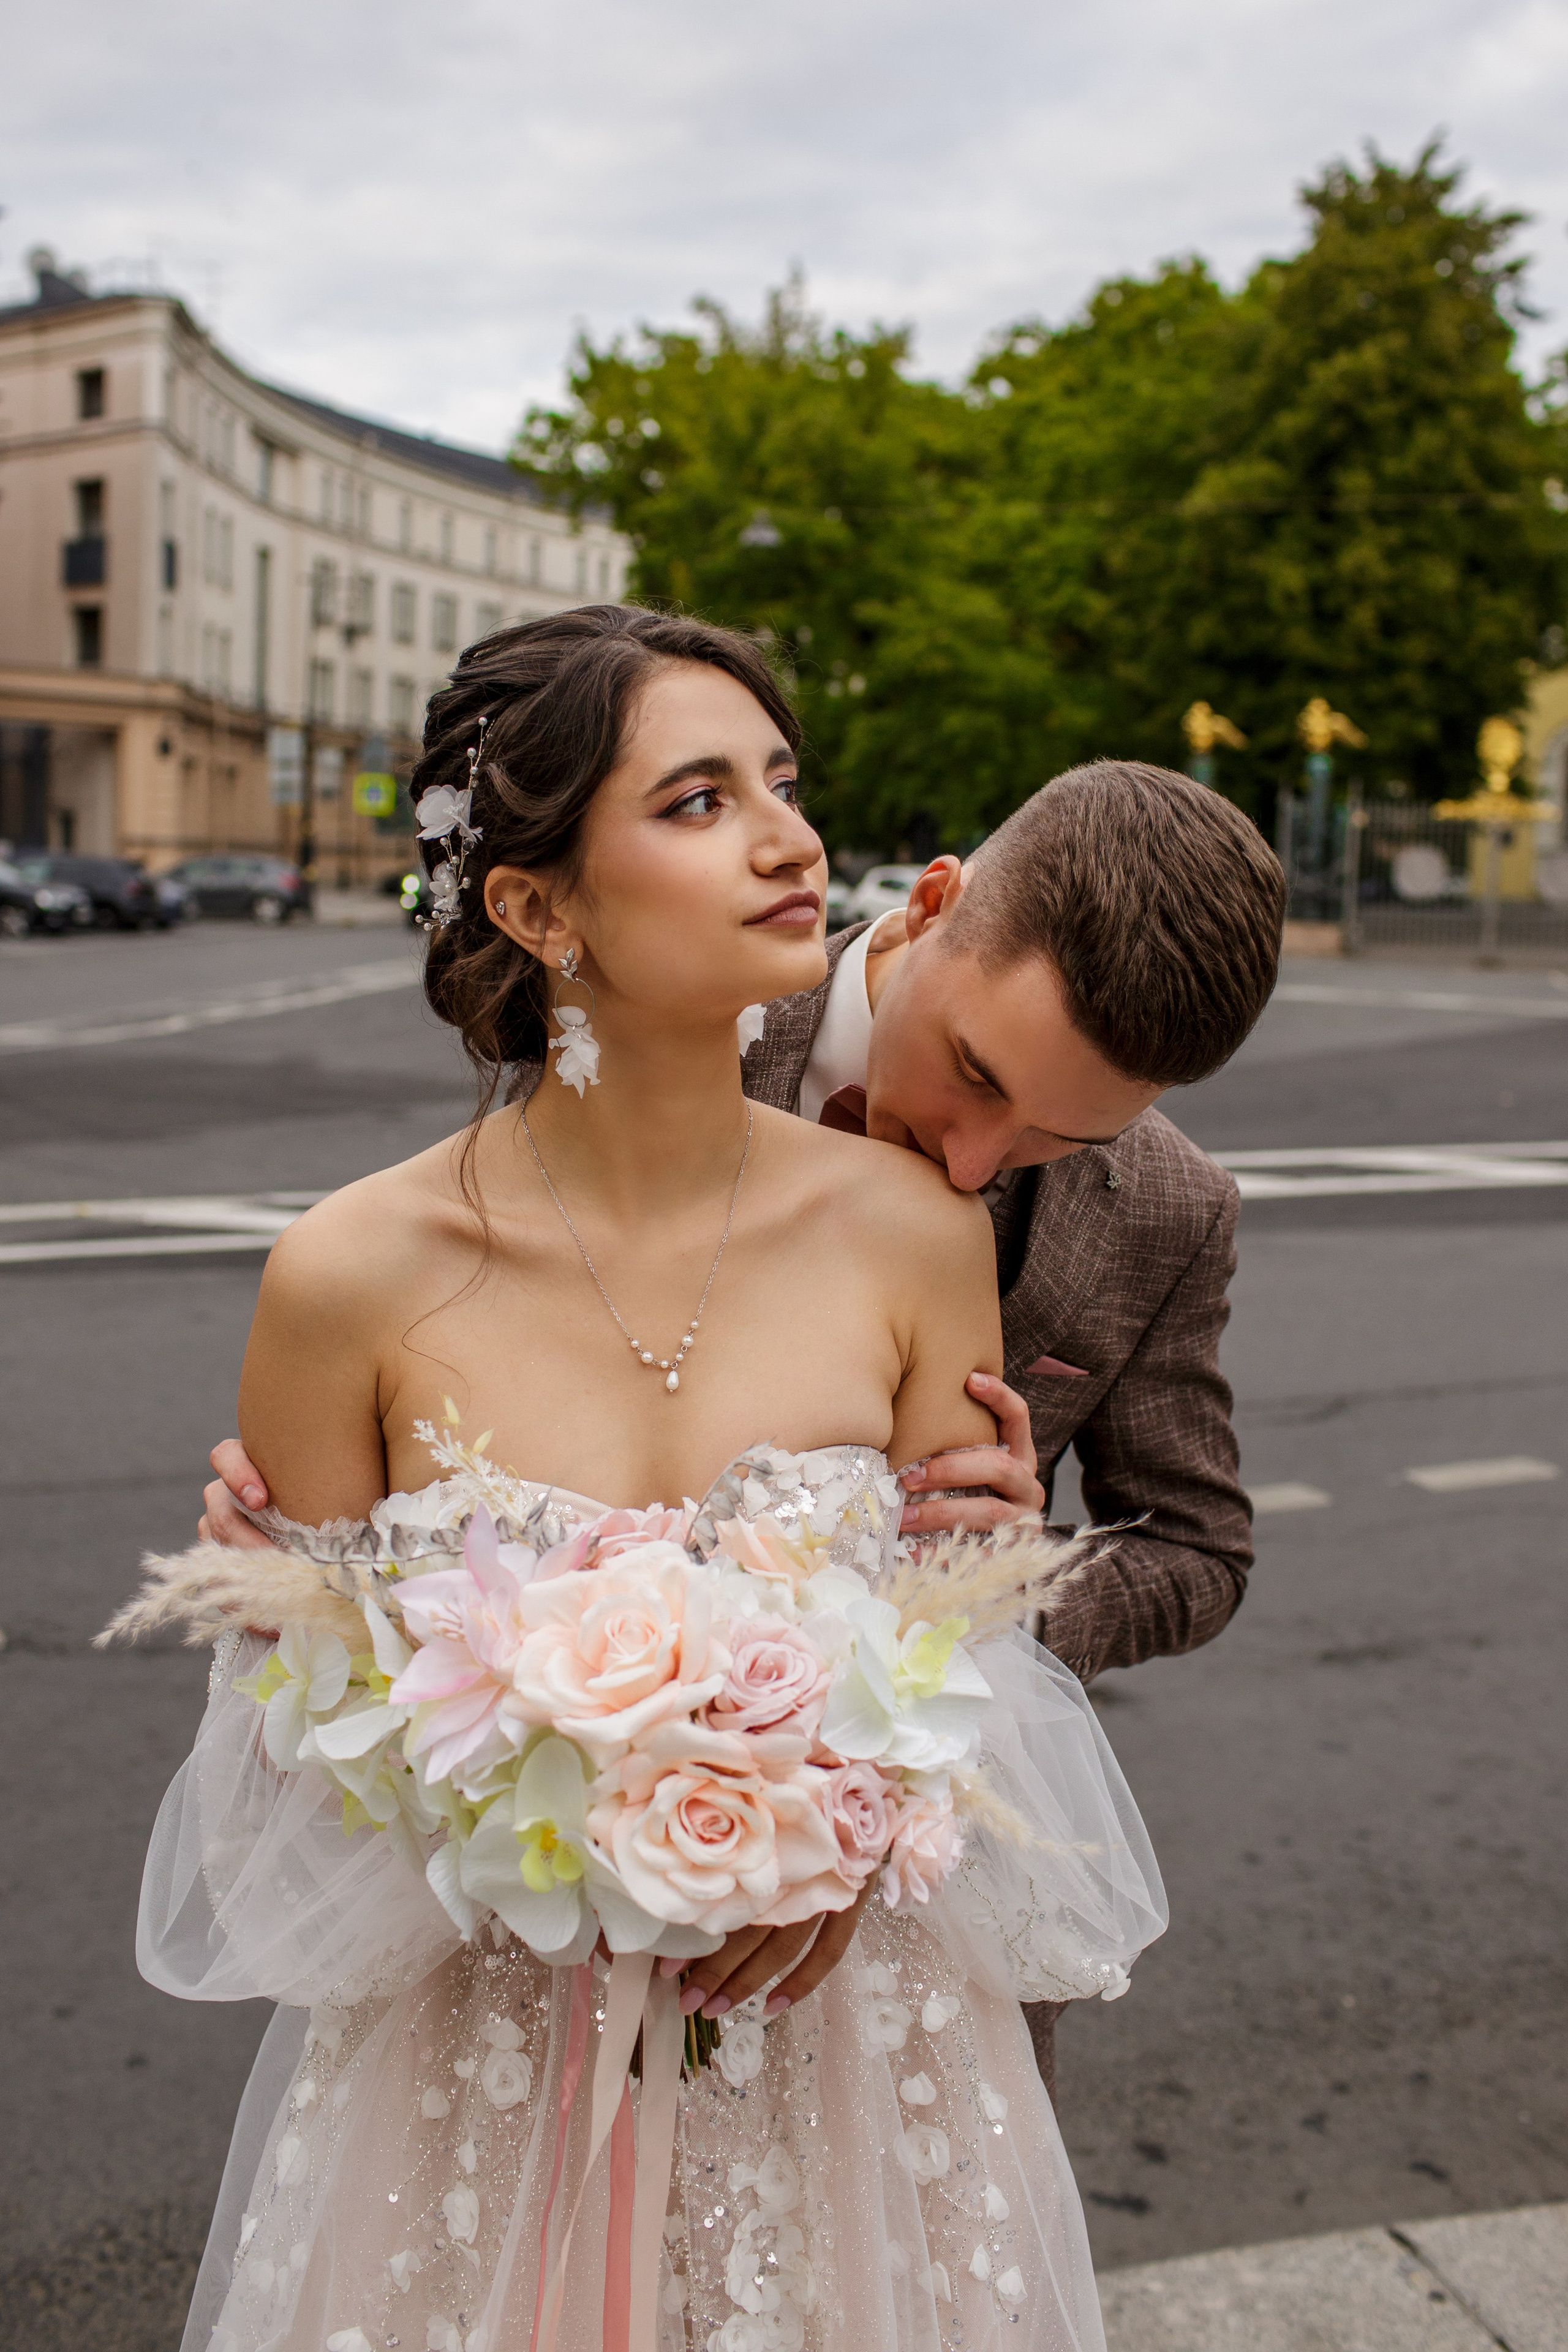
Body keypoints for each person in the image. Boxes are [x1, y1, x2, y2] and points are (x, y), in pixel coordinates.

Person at [132, 605, 1165, 2352]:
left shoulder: (917, 1234)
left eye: (781, 782)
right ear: (537, 909)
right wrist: (303, 1637)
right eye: (697, 801)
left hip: (849, 2057)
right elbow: (296, 1783)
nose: (788, 839)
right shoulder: (345, 1278)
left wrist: (849, 1825)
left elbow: (956, 1670)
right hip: (485, 2071)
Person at [204, 725, 1285, 2103]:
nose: (973, 1163)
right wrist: (341, 1543)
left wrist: (993, 1601)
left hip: (884, 1956)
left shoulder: (1173, 1212)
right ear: (933, 905)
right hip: (534, 1921)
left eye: (1057, 1142)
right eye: (975, 1074)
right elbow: (448, 1314)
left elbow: (1199, 1554)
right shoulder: (661, 989)